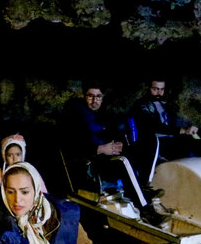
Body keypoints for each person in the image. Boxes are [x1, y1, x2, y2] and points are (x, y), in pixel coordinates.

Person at [62, 83, 166, 226]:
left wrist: (120, 143)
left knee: (150, 142)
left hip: (109, 157)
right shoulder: (75, 117)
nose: (94, 101)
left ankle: (144, 186)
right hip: (91, 163)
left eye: (98, 97)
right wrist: (100, 149)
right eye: (91, 96)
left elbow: (115, 133)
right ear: (84, 96)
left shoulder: (104, 115)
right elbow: (72, 147)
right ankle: (147, 211)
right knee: (122, 162)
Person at [129, 79, 201, 160]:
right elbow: (152, 125)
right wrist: (183, 130)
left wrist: (188, 130)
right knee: (187, 145)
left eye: (162, 89)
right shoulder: (141, 105)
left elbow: (173, 124)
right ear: (148, 88)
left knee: (199, 136)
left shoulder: (165, 103)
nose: (159, 93)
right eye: (155, 89)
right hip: (155, 143)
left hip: (171, 139)